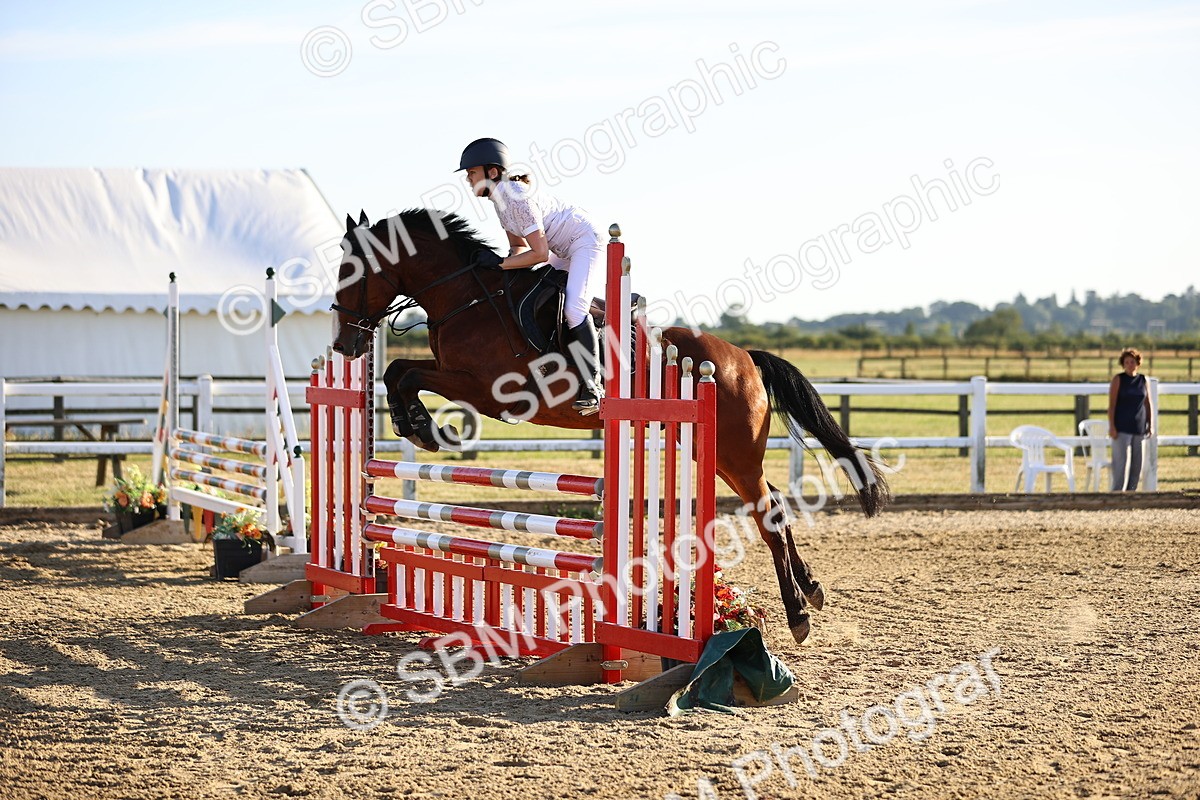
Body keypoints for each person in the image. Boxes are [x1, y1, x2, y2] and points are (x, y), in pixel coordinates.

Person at [458, 137, 604, 415]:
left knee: (573, 309)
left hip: (585, 240)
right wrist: (492, 268)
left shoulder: (516, 197)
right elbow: (519, 247)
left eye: (471, 173)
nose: (468, 179)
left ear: (491, 172)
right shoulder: (500, 202)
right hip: (561, 246)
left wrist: (500, 264)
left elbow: (538, 254)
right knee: (539, 295)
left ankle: (593, 386)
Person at [1107, 347, 1153, 491]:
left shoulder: (1143, 380)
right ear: (1123, 364)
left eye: (1132, 362)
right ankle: (1117, 494)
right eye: (1126, 362)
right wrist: (1112, 427)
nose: (1129, 365)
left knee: (1136, 465)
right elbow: (1112, 405)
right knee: (1121, 464)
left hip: (1139, 427)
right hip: (1122, 428)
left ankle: (1131, 495)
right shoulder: (1118, 379)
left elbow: (1148, 403)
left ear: (1137, 363)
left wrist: (1150, 424)